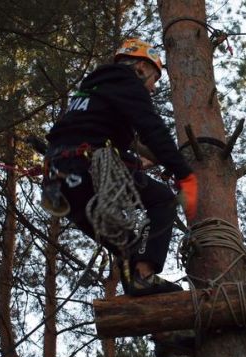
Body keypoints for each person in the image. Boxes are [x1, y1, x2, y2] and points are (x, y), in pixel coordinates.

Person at [42, 38, 198, 296]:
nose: (152, 89)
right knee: (162, 201)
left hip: (59, 180)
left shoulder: (94, 90)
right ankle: (144, 276)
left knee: (129, 245)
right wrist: (184, 173)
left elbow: (91, 135)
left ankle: (144, 298)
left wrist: (138, 163)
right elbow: (152, 129)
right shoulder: (125, 80)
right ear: (140, 67)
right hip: (84, 168)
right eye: (154, 80)